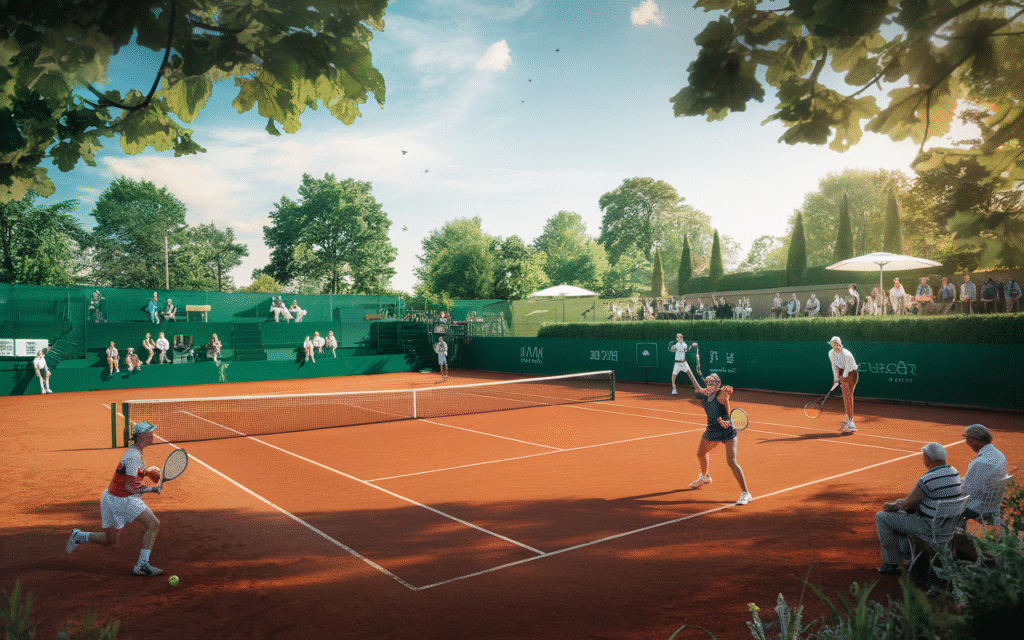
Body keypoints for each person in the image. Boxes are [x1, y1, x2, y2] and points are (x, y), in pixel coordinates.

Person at [65, 421, 165, 576]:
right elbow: (130, 487)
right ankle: (142, 565)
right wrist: (152, 488)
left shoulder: (134, 452)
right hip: (122, 499)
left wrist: (145, 472)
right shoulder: (133, 456)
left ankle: (79, 536)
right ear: (142, 436)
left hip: (109, 497)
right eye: (150, 433)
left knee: (109, 540)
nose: (153, 435)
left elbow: (128, 474)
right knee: (153, 524)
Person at [875, 442, 962, 575]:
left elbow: (909, 504)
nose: (923, 459)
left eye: (923, 456)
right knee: (903, 513)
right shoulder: (953, 472)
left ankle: (891, 563)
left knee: (882, 517)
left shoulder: (927, 479)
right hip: (949, 526)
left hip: (931, 527)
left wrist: (895, 504)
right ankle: (910, 552)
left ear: (929, 458)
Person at [687, 373, 752, 506]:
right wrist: (695, 383)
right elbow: (697, 390)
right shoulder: (705, 395)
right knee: (700, 453)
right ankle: (705, 477)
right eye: (708, 383)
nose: (710, 386)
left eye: (713, 384)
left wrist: (726, 389)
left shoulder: (721, 394)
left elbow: (728, 390)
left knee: (731, 462)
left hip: (727, 431)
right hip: (711, 431)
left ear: (718, 384)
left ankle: (746, 493)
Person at [960, 424, 1008, 521]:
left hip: (975, 509)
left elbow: (967, 492)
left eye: (967, 439)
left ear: (974, 439)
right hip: (992, 506)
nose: (967, 442)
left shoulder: (980, 462)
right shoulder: (999, 455)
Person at [828, 336, 859, 434]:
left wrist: (842, 378)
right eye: (833, 344)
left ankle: (851, 423)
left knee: (848, 396)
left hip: (851, 373)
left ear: (840, 344)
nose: (835, 346)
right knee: (846, 397)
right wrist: (836, 379)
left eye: (836, 344)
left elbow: (847, 369)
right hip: (842, 373)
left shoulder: (847, 354)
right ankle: (848, 419)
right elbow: (834, 366)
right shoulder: (831, 353)